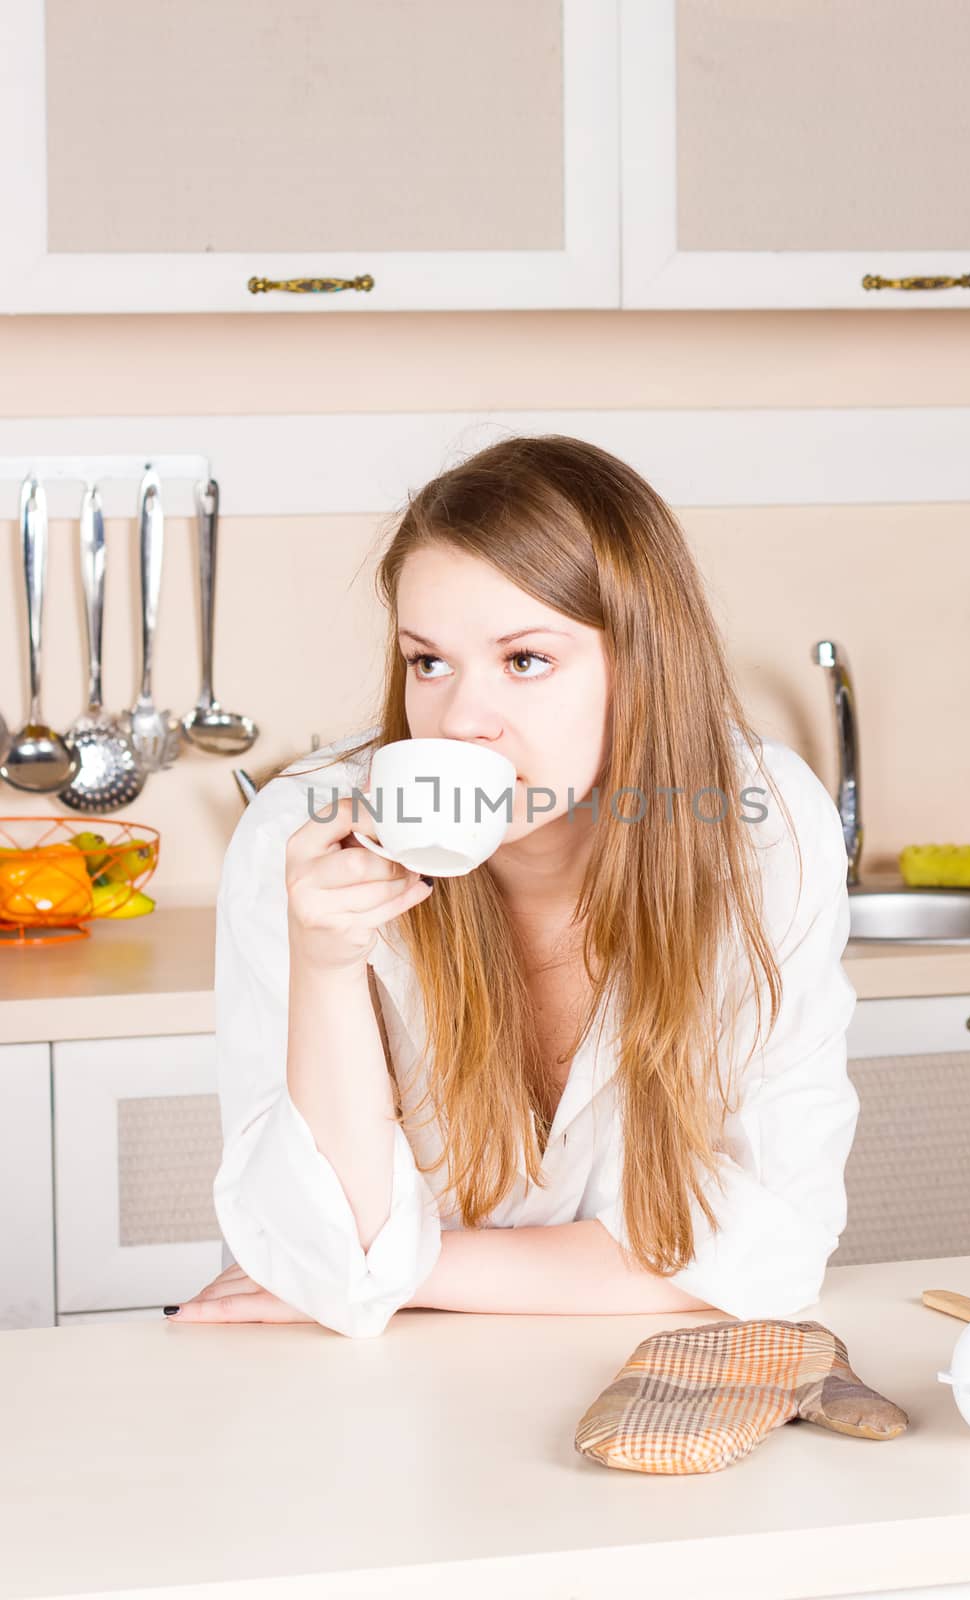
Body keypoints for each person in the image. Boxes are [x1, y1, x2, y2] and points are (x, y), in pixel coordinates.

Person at [169, 434, 860, 1338]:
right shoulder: (303, 842)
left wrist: (410, 1273)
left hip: (632, 1373)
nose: (460, 720)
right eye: (429, 662)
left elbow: (776, 1243)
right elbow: (324, 1250)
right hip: (367, 1396)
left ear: (642, 667)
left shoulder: (759, 826)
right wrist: (328, 966)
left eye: (525, 660)